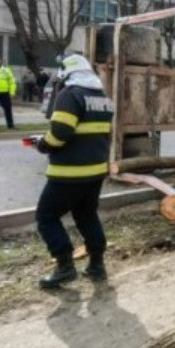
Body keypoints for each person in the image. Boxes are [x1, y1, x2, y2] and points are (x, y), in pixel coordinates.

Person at [30, 54, 112, 288]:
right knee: (87, 215)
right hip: (95, 172)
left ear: (67, 73)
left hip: (68, 173)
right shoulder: (103, 97)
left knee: (46, 217)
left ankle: (65, 266)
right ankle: (97, 265)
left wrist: (42, 144)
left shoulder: (69, 95)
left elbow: (59, 134)